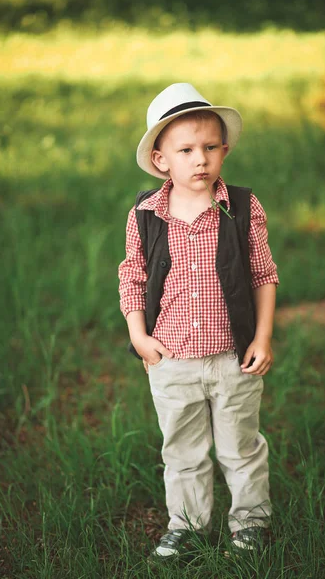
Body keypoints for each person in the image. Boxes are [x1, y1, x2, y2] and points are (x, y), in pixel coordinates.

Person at [118, 83, 280, 562]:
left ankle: (250, 523)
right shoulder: (146, 215)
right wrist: (138, 336)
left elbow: (263, 274)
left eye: (210, 147)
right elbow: (132, 277)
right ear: (161, 158)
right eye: (186, 149)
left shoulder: (242, 208)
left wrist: (264, 337)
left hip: (235, 357)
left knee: (240, 446)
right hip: (170, 359)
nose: (200, 159)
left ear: (224, 151)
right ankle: (186, 525)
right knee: (183, 450)